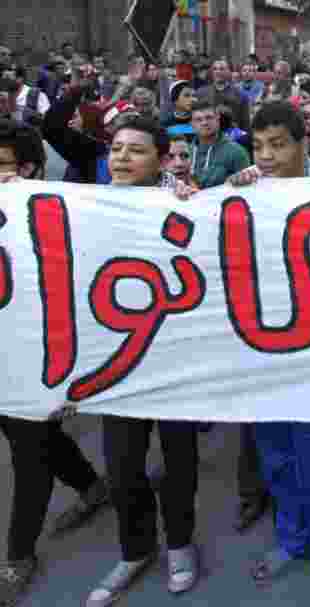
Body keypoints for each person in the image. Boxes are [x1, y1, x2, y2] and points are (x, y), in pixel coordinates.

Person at [226, 102, 310, 607]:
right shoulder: (247, 188)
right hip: (262, 345)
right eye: (259, 146)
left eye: (278, 144)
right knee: (275, 452)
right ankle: (291, 538)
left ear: (304, 142)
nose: (268, 156)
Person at [85, 116, 199, 607]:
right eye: (116, 149)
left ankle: (179, 546)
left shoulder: (189, 204)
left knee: (178, 462)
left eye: (135, 150)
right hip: (118, 360)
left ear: (158, 160)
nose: (122, 159)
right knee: (123, 464)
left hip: (175, 357)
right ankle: (135, 550)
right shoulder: (85, 205)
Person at [0, 120, 112, 607]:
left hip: (40, 361)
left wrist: (70, 376)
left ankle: (17, 556)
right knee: (34, 437)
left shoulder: (59, 217)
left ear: (26, 169)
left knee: (30, 452)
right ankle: (91, 487)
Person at [188, 99, 250, 188]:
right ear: (192, 124)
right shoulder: (186, 151)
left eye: (209, 117)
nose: (204, 123)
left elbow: (247, 188)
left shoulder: (236, 152)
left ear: (218, 118)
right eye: (199, 120)